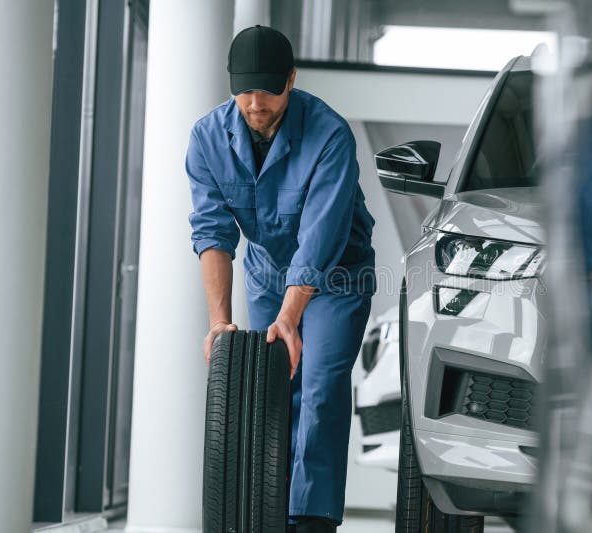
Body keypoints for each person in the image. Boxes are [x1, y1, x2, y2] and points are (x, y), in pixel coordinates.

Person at [186, 25, 376, 533]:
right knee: (275, 388)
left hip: (339, 275)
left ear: (291, 80)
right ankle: (268, 509)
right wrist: (219, 321)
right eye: (244, 90)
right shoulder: (207, 138)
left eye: (268, 90)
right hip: (267, 274)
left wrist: (291, 319)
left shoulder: (330, 135)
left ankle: (311, 518)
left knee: (320, 384)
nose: (255, 103)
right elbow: (213, 232)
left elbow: (320, 235)